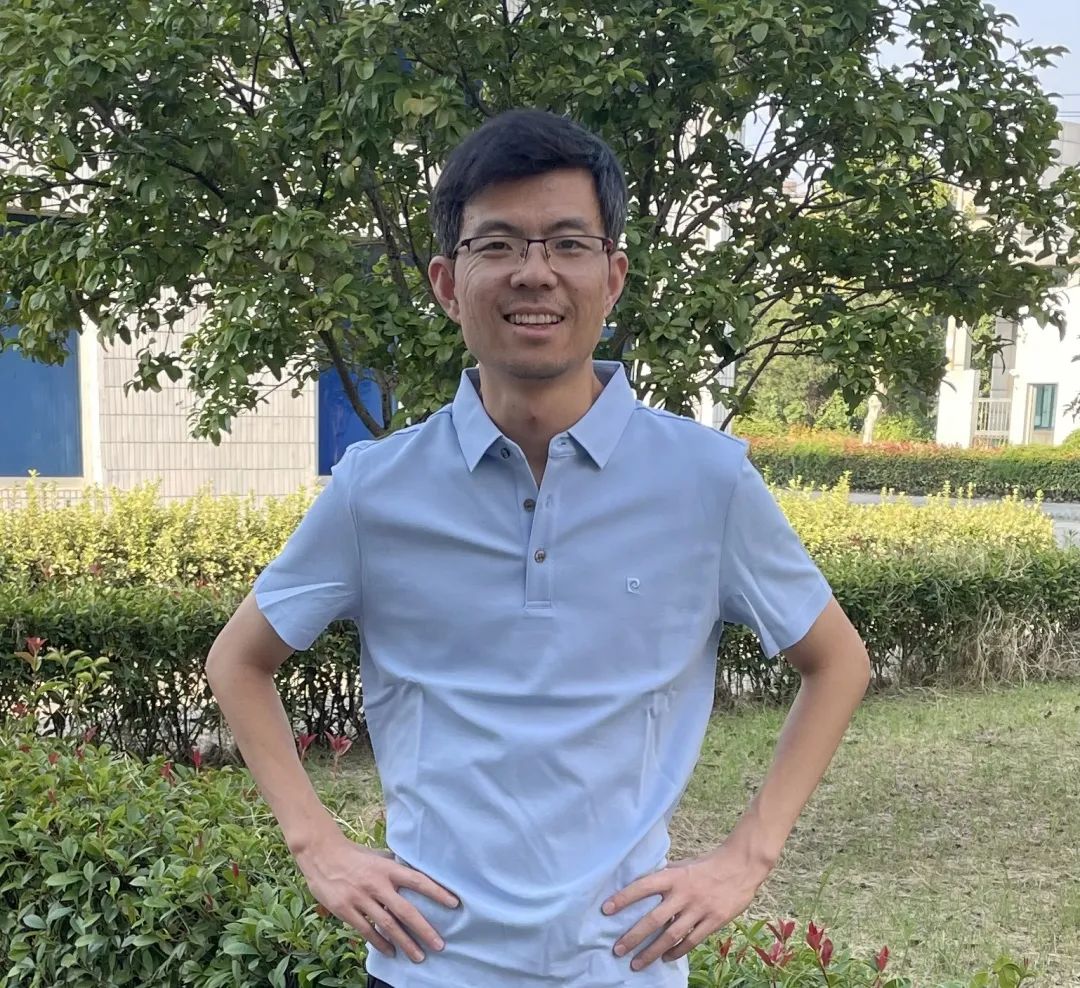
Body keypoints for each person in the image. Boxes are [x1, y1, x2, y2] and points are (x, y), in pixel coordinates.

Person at [205, 108, 871, 988]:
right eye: (498, 244)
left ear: (613, 275)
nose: (534, 271)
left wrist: (747, 856)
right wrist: (316, 846)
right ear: (448, 283)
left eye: (567, 243)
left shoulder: (707, 483)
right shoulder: (376, 488)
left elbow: (838, 661)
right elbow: (238, 661)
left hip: (622, 968)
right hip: (425, 969)